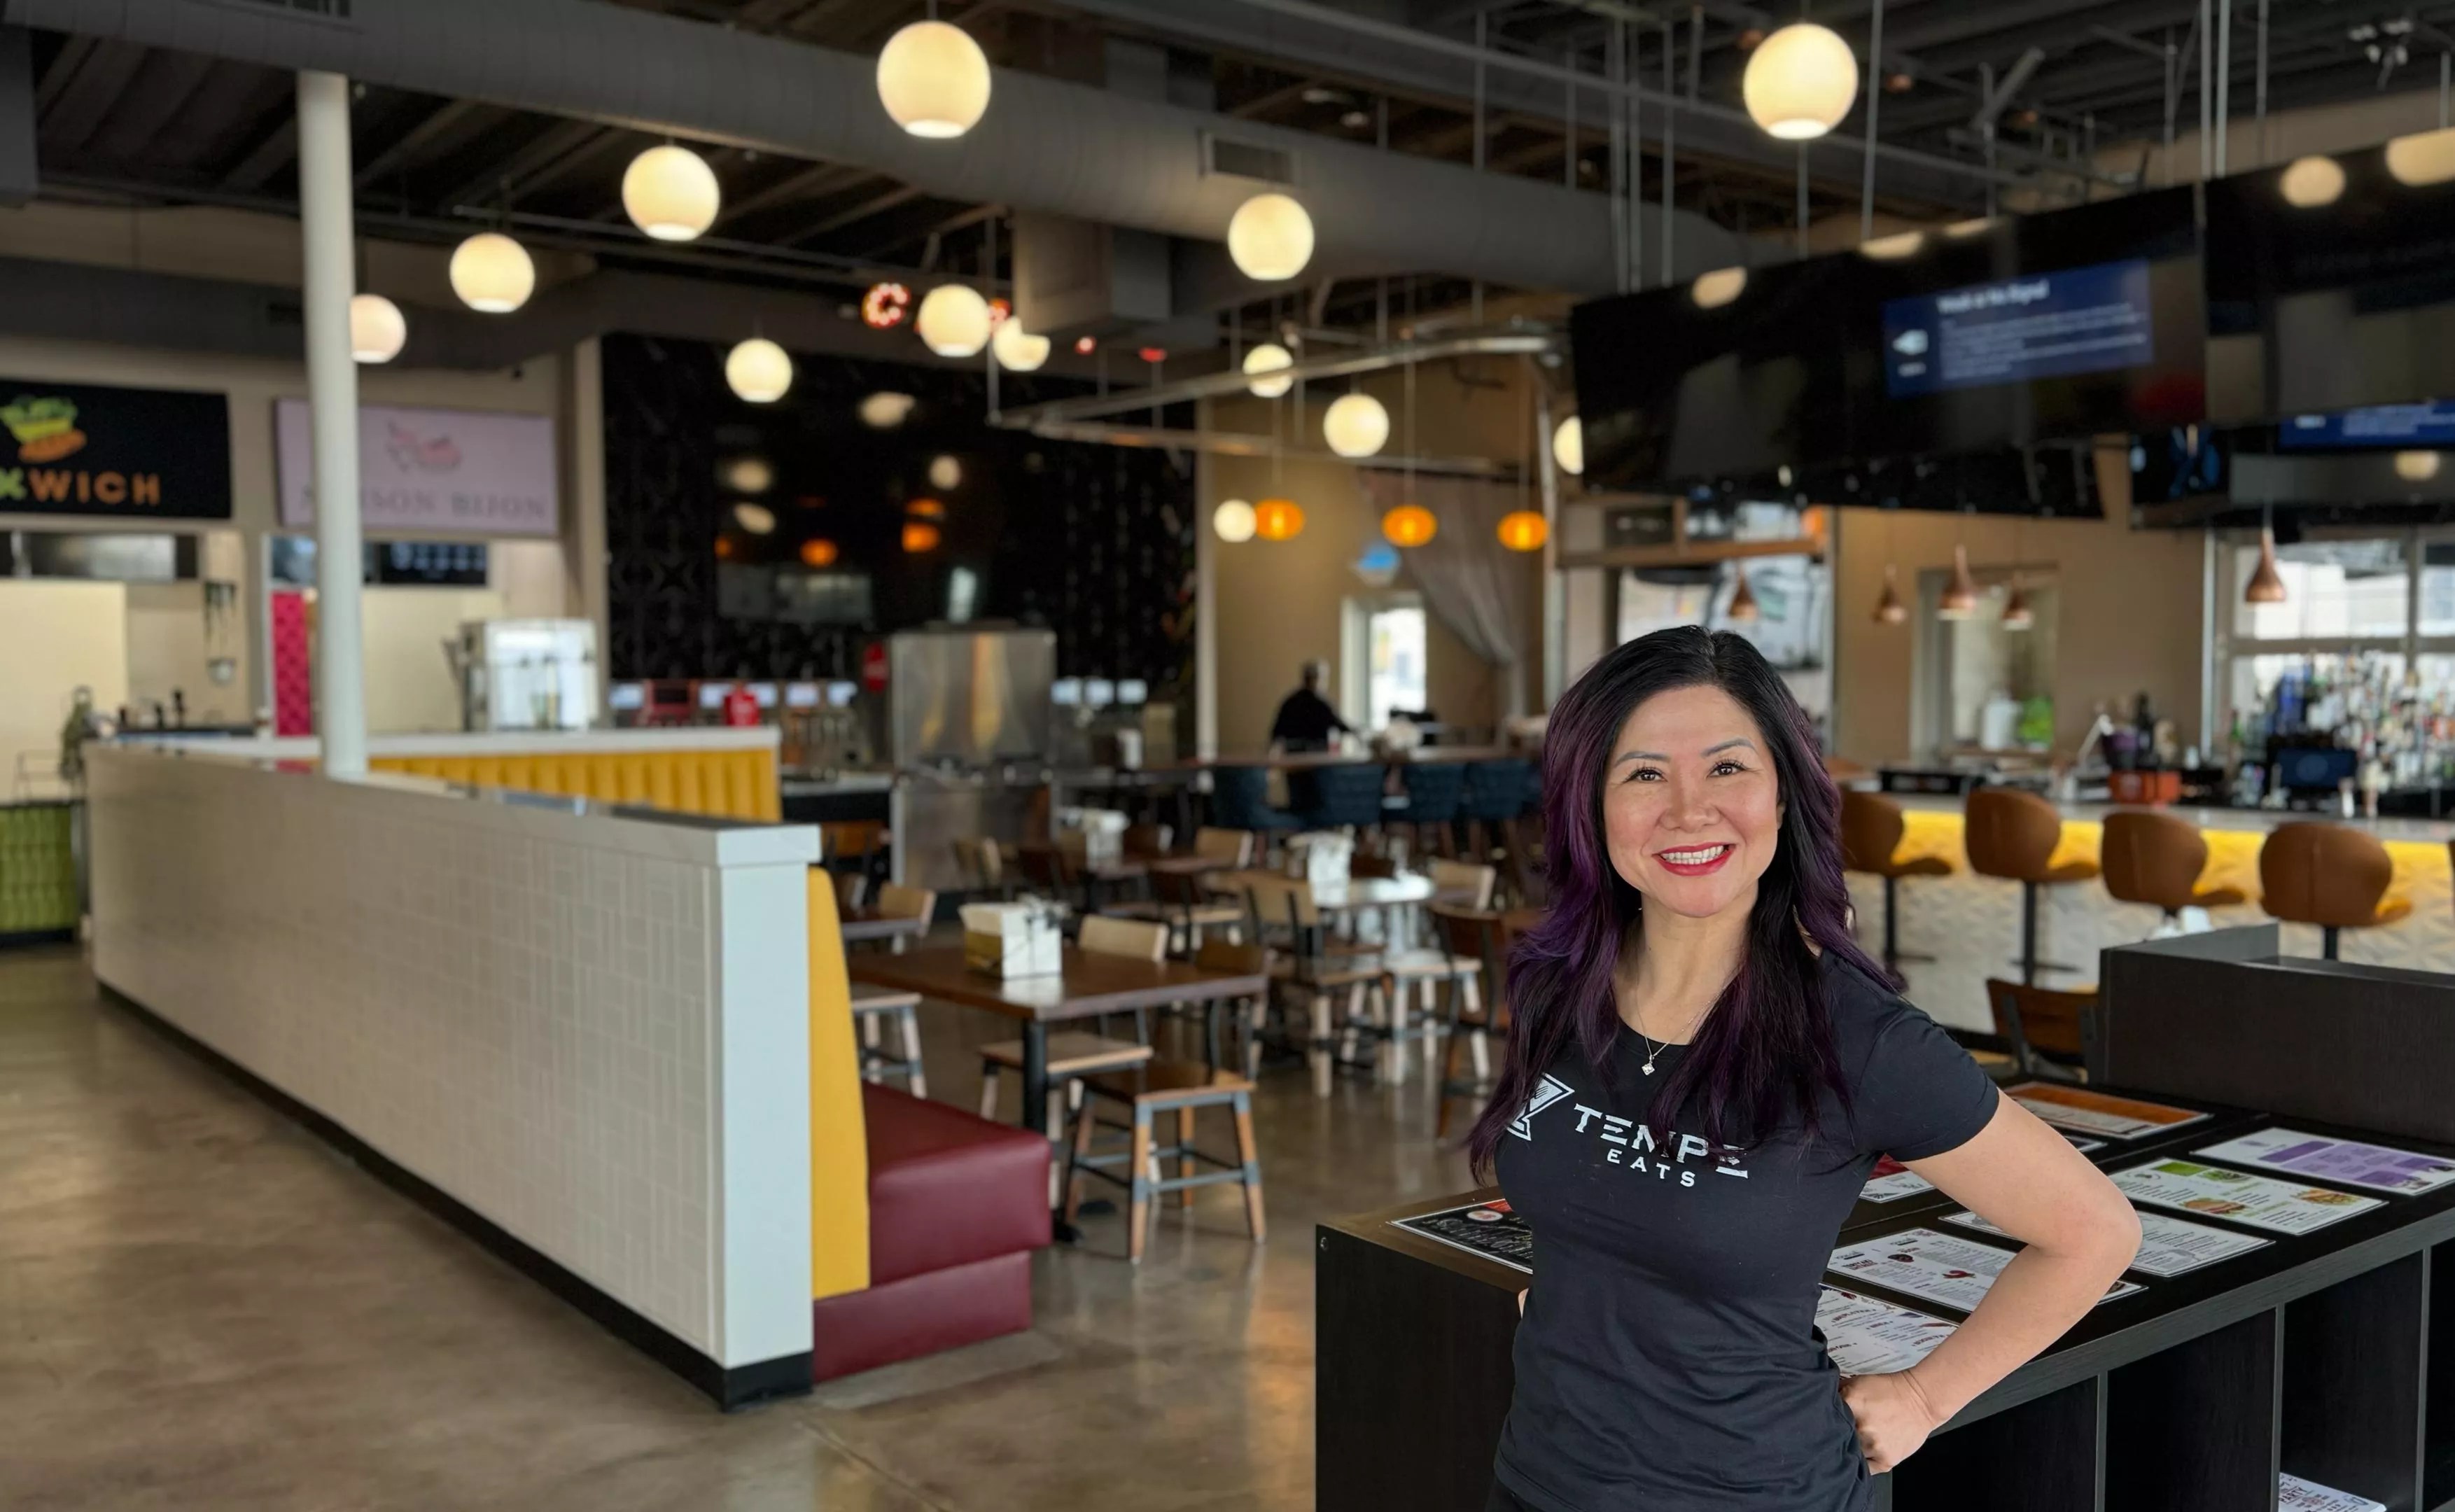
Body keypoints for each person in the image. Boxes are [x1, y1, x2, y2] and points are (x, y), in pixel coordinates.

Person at [1473, 626, 2139, 1512]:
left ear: (1785, 798)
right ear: (1590, 808)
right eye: (1642, 775)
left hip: (1757, 1492)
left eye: (1726, 769)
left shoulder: (1859, 1038)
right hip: (1540, 1481)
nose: (1687, 809)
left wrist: (1928, 1396)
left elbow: (2094, 1232)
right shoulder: (1563, 987)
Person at [1267, 660, 1353, 754]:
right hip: (1317, 758)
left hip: (1292, 758)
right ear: (1316, 679)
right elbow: (1339, 725)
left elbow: (1276, 733)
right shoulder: (1320, 704)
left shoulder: (1290, 702)